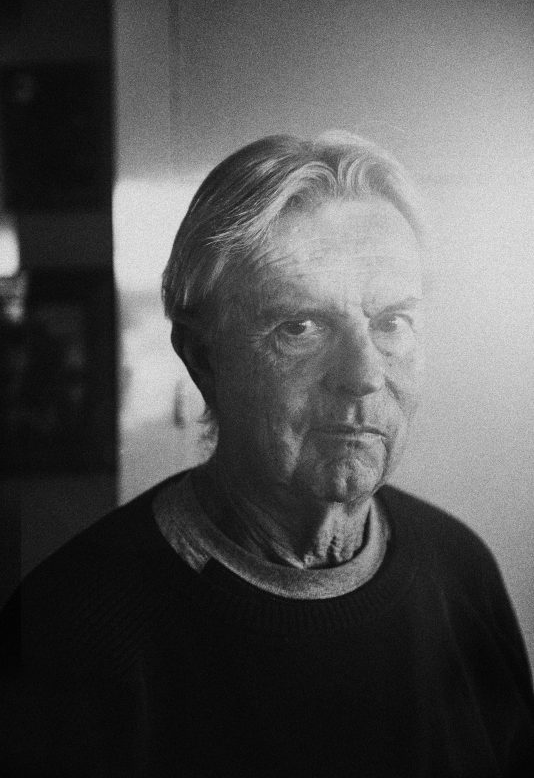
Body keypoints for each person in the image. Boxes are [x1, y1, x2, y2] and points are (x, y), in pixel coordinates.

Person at [2, 131, 533, 777]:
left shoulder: (460, 570)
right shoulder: (71, 631)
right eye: (300, 327)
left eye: (392, 322)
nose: (363, 375)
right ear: (202, 358)